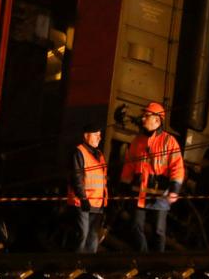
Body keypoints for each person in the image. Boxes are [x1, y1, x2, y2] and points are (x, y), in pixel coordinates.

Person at [120, 102, 185, 252]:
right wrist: (123, 186)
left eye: (146, 116)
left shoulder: (169, 142)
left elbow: (177, 167)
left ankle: (157, 263)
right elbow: (129, 165)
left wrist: (175, 189)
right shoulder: (137, 141)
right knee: (135, 227)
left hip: (160, 195)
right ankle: (144, 260)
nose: (143, 119)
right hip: (140, 194)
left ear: (157, 120)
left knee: (158, 231)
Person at [67, 123, 108, 253]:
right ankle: (75, 265)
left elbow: (103, 180)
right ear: (86, 136)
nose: (99, 138)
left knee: (93, 238)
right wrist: (83, 198)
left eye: (100, 135)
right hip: (82, 202)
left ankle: (88, 266)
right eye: (96, 135)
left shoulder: (99, 155)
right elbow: (76, 177)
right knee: (82, 235)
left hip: (97, 203)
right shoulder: (79, 152)